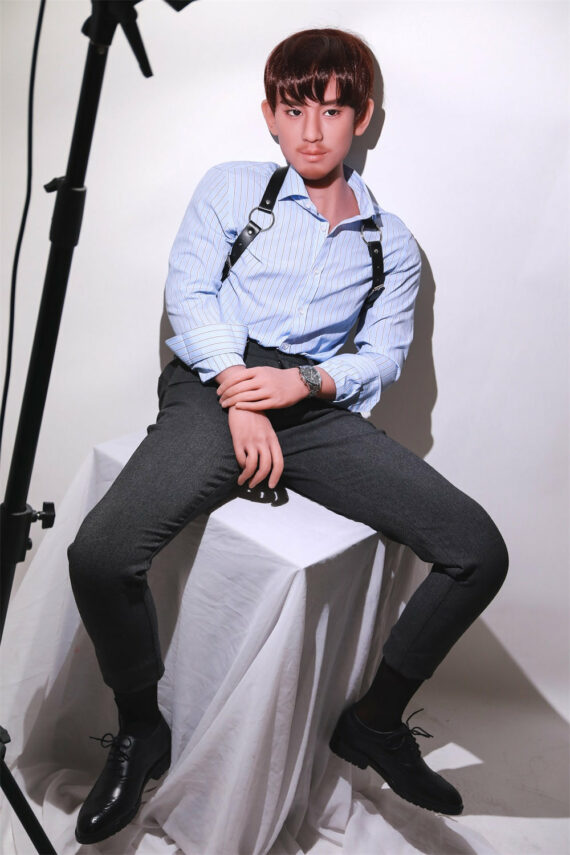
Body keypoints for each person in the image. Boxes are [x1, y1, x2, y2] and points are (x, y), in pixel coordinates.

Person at [68, 28, 508, 845]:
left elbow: (380, 356)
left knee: (478, 548)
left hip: (316, 408)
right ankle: (141, 726)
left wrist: (299, 386)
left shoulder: (392, 241)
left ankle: (374, 720)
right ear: (269, 115)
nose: (312, 129)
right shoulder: (234, 188)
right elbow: (191, 294)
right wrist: (242, 395)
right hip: (214, 389)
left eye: (333, 109)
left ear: (364, 117)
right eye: (294, 108)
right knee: (99, 554)